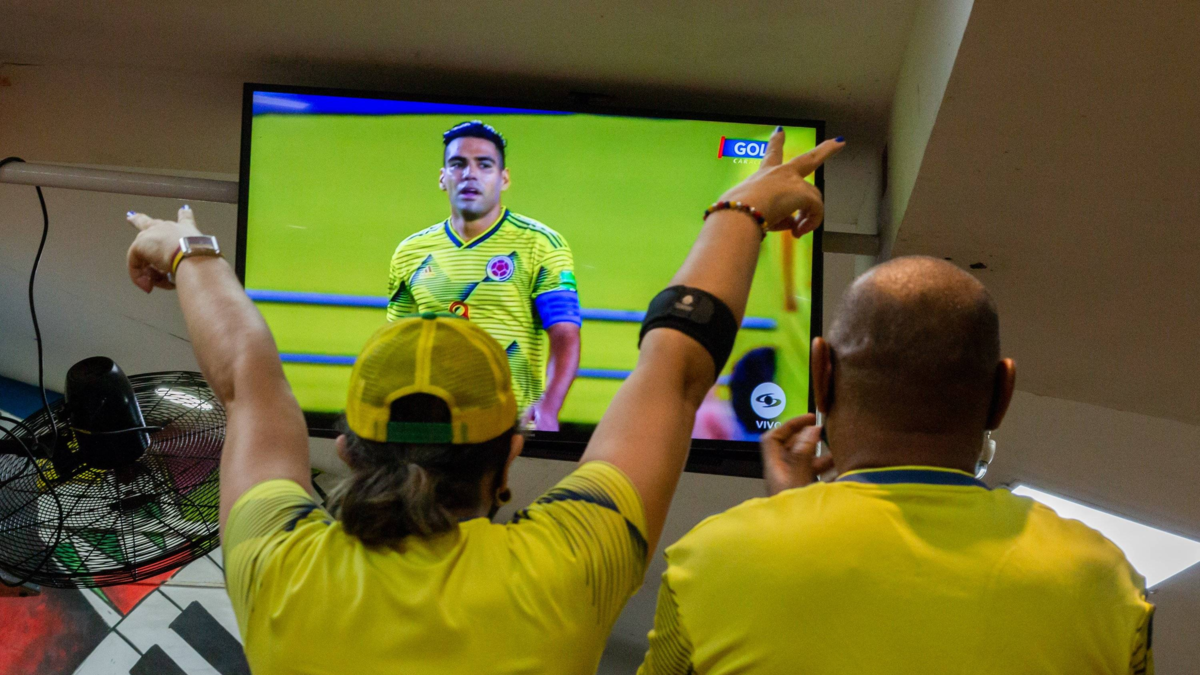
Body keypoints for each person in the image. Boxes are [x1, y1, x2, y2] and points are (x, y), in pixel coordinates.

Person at [124, 128, 843, 674]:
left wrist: (188, 249)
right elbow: (677, 369)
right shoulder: (567, 566)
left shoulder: (280, 565)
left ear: (348, 450)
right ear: (510, 453)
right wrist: (743, 207)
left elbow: (247, 379)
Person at [637, 256, 1156, 675]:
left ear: (821, 375)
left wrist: (790, 520)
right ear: (1002, 393)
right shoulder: (1105, 581)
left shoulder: (711, 560)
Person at [387, 120, 580, 431]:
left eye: (484, 165)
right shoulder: (410, 251)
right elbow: (399, 343)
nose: (470, 174)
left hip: (511, 425)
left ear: (503, 179)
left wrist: (548, 407)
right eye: (458, 164)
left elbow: (565, 334)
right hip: (434, 425)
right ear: (443, 177)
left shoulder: (540, 244)